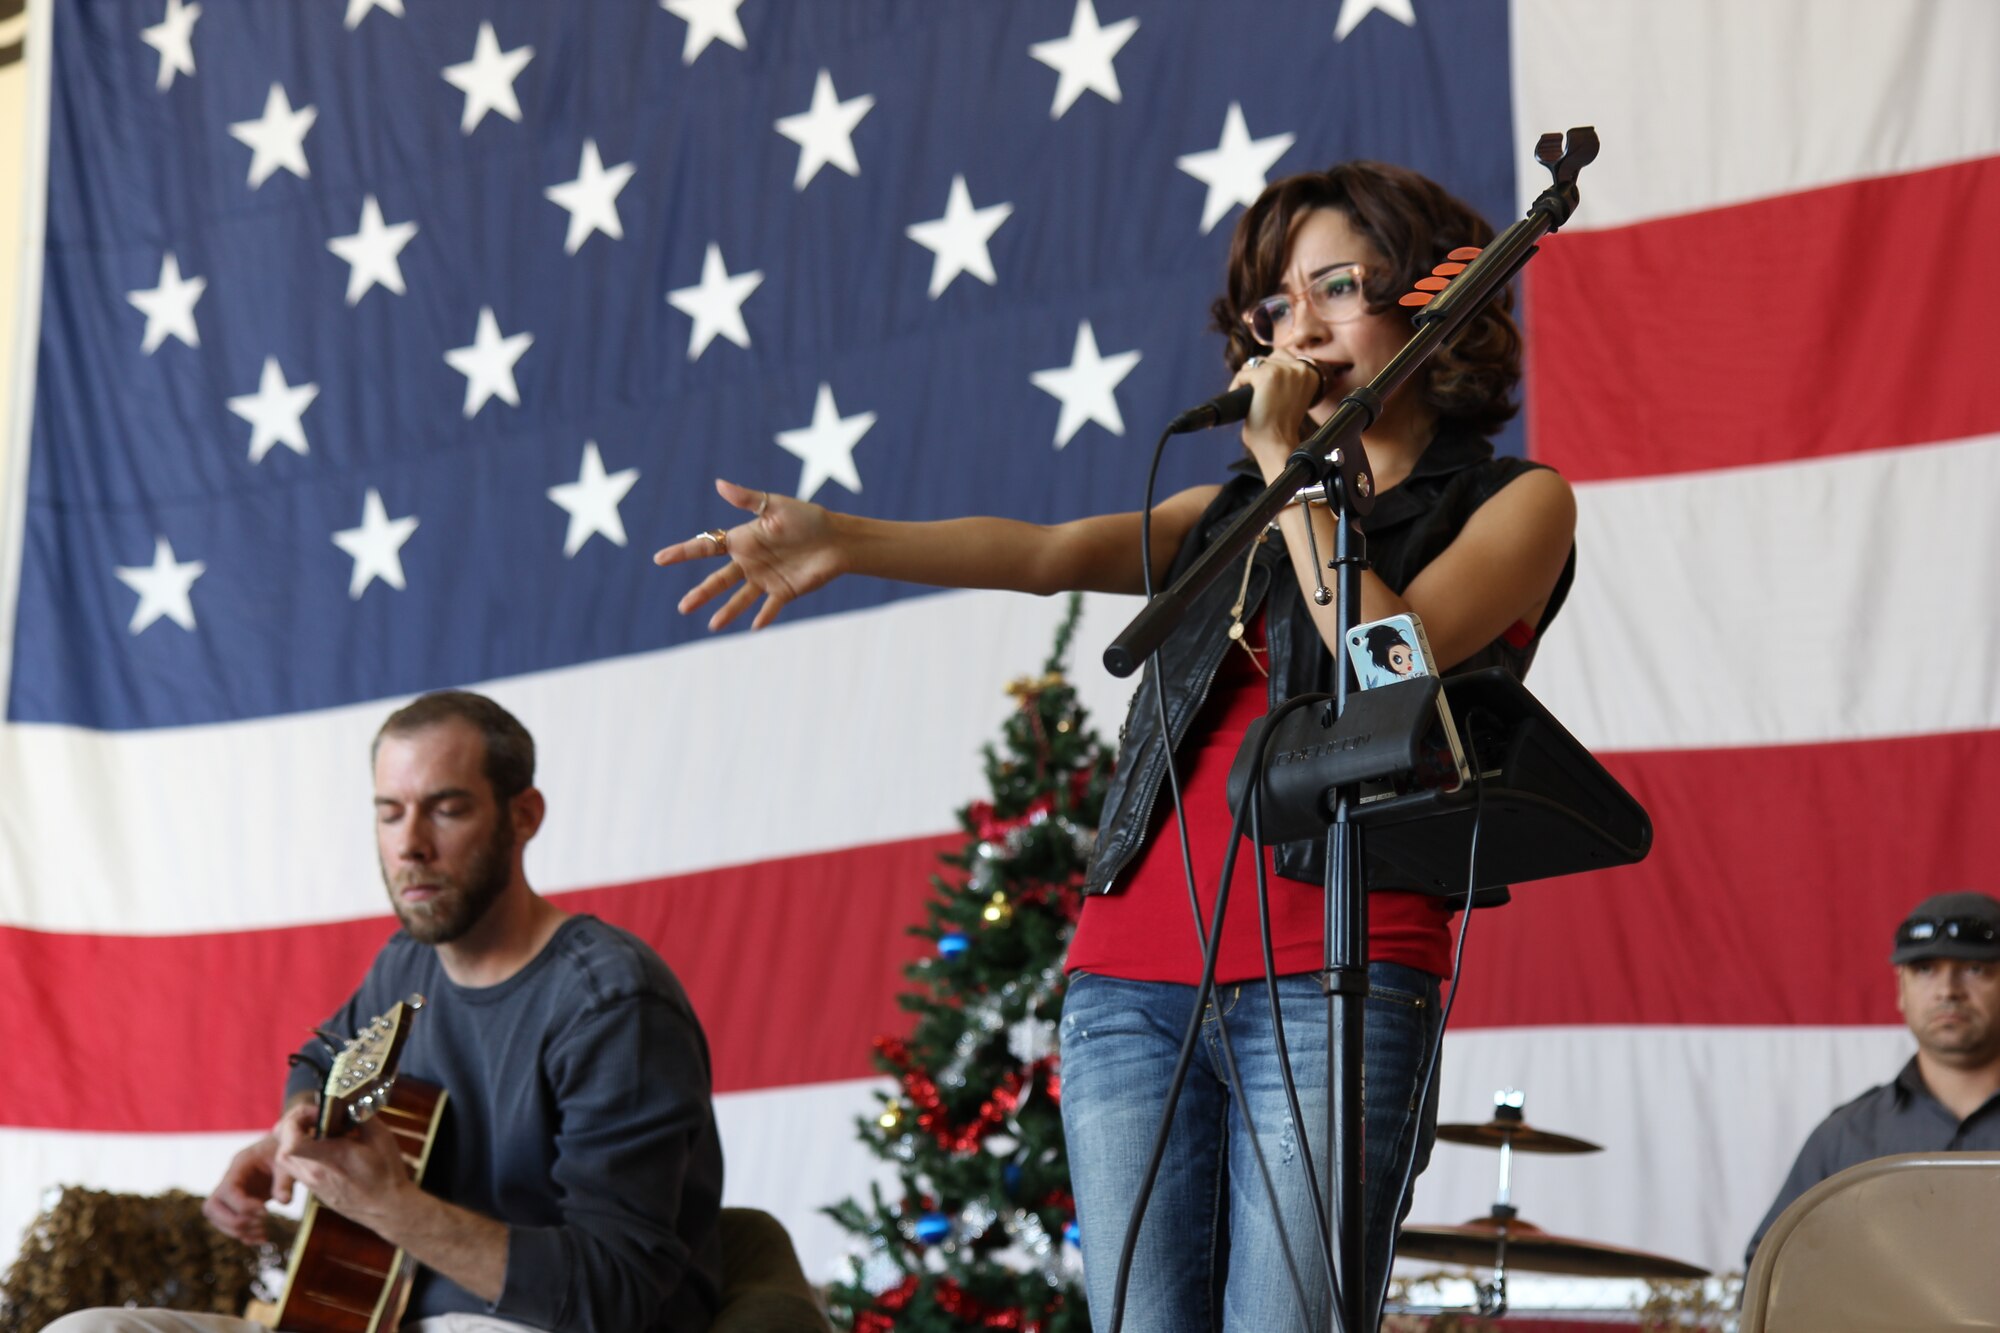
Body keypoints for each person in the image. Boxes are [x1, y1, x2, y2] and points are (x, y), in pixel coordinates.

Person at [657, 160, 1575, 1331]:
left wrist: (1292, 478)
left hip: (1340, 975)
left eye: (1336, 286)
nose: (1298, 326)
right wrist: (846, 537)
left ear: (1428, 297)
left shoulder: (1519, 501)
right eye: (1274, 306)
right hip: (1128, 988)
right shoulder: (1221, 514)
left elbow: (1386, 662)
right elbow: (1043, 552)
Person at [49, 691, 725, 1333]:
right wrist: (291, 1130)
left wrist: (390, 1207)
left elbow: (617, 1291)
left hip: (531, 1322)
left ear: (524, 815)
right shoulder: (408, 965)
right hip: (374, 1315)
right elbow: (322, 1060)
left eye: (447, 808)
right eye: (390, 811)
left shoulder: (612, 1004)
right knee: (90, 1327)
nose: (410, 845)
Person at [1745, 890, 2000, 1267]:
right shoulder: (1845, 1139)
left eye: (1974, 969)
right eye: (1925, 969)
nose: (1948, 991)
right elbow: (1770, 1283)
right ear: (1901, 988)